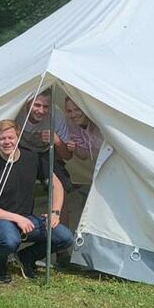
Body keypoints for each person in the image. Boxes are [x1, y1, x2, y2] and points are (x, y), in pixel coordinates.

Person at [0, 119, 74, 283]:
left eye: (11, 138)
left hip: (27, 219)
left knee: (65, 237)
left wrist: (55, 213)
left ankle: (27, 257)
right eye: (2, 139)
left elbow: (56, 186)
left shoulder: (32, 158)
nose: (7, 142)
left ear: (18, 137)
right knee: (10, 241)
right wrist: (17, 218)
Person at [59, 97, 102, 239]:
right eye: (70, 111)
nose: (74, 114)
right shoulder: (73, 126)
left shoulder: (100, 122)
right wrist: (75, 148)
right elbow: (84, 156)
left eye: (77, 109)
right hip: (100, 170)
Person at [15, 89, 71, 161]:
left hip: (45, 154)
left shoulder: (56, 115)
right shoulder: (17, 112)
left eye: (45, 107)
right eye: (37, 105)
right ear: (28, 103)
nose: (41, 111)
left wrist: (57, 141)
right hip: (19, 151)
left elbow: (68, 156)